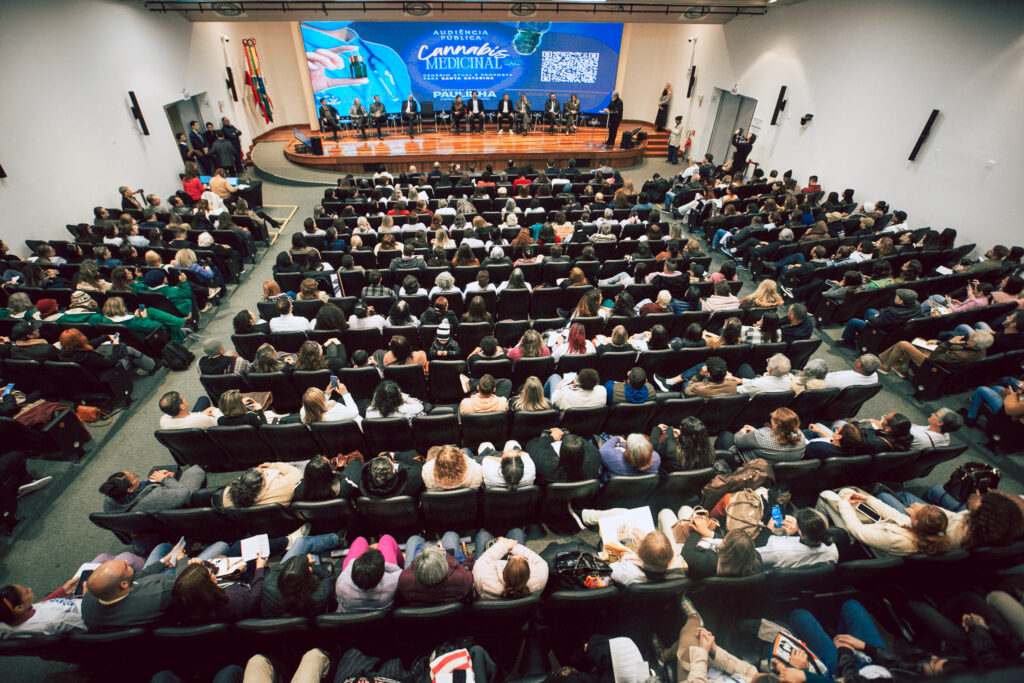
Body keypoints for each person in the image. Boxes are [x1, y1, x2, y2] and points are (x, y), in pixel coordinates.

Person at [829, 488, 951, 557]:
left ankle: (824, 534)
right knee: (845, 491)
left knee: (826, 494)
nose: (916, 506)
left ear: (917, 522)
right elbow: (895, 514)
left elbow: (856, 530)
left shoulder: (897, 540)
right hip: (878, 530)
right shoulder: (922, 530)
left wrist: (844, 504)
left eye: (918, 510)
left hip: (861, 543)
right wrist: (868, 499)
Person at [170, 554, 266, 625]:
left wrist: (202, 564)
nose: (213, 573)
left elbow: (214, 569)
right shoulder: (231, 599)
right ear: (208, 586)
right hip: (251, 590)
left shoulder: (190, 600)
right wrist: (260, 568)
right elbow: (255, 595)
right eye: (211, 573)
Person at [878, 329, 993, 379]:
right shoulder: (981, 348)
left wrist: (947, 343)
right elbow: (958, 347)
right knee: (919, 341)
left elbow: (934, 358)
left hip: (932, 365)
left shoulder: (963, 355)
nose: (968, 336)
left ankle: (886, 366)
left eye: (971, 337)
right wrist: (939, 342)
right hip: (943, 357)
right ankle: (902, 369)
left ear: (973, 343)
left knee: (903, 344)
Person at [334, 537, 403, 613]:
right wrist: (380, 564)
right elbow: (399, 570)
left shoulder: (342, 585)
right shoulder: (392, 583)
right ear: (381, 574)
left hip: (349, 621)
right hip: (382, 621)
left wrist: (364, 560)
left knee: (360, 540)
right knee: (386, 539)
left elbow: (351, 563)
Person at [717, 407, 807, 463]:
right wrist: (756, 432)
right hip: (781, 471)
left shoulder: (762, 437)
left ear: (775, 424)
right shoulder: (801, 436)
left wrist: (742, 431)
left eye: (772, 416)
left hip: (751, 465)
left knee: (725, 435)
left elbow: (738, 441)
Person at [472, 534, 548, 599]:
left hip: (492, 614)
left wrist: (504, 545)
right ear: (528, 573)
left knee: (483, 535)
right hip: (524, 613)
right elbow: (540, 561)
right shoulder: (540, 577)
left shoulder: (482, 579)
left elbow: (482, 560)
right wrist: (514, 546)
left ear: (504, 570)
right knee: (517, 532)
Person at [757, 508, 838, 569]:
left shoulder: (776, 549)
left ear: (802, 533)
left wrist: (767, 531)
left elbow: (750, 557)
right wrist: (795, 534)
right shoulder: (832, 548)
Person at [397, 542, 473, 605]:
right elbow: (469, 564)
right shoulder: (462, 579)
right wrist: (446, 555)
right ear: (444, 565)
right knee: (451, 536)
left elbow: (410, 568)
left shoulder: (404, 581)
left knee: (418, 544)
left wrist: (423, 556)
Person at [528, 428, 602, 486]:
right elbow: (583, 443)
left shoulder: (545, 466)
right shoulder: (594, 457)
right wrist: (564, 436)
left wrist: (551, 437)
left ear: (561, 452)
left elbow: (532, 446)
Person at [221, 462, 303, 508]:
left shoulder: (227, 495)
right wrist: (274, 466)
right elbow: (298, 474)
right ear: (263, 485)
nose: (264, 470)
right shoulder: (282, 486)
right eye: (265, 475)